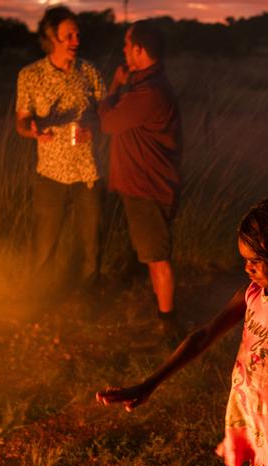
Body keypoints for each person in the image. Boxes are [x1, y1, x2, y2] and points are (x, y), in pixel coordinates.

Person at [97, 193, 268, 466]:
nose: (247, 269)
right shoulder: (252, 294)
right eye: (245, 261)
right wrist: (149, 384)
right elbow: (202, 338)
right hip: (252, 415)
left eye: (255, 261)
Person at [99, 21, 182, 334]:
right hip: (143, 185)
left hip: (149, 187)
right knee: (150, 254)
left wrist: (113, 87)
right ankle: (162, 312)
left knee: (158, 257)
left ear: (139, 50)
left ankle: (168, 326)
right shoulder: (146, 85)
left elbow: (108, 122)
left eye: (126, 45)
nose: (123, 50)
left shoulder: (148, 92)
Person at [15, 5, 106, 289]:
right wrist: (31, 130)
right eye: (68, 36)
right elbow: (21, 120)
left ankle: (88, 298)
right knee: (45, 244)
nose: (75, 41)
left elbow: (107, 115)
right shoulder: (30, 75)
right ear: (51, 38)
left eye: (77, 34)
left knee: (91, 244)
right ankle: (38, 299)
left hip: (88, 172)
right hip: (50, 173)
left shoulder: (89, 71)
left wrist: (96, 128)